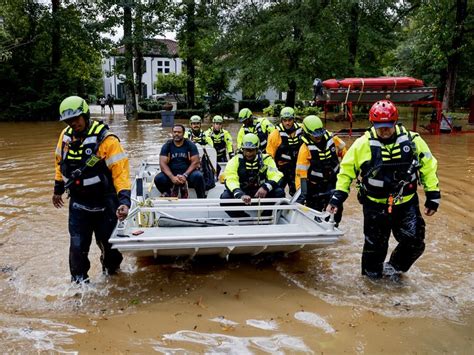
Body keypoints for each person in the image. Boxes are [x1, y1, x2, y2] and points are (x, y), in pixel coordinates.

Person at [326, 100, 441, 280]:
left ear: (395, 122)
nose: (384, 130)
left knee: (415, 241)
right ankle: (371, 285)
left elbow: (428, 166)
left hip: (406, 203)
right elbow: (346, 172)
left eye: (388, 126)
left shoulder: (413, 141)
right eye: (380, 126)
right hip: (375, 205)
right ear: (373, 123)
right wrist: (337, 198)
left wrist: (433, 195)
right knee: (375, 248)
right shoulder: (361, 145)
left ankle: (394, 268)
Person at [52, 96, 130, 283]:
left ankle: (113, 278)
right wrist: (58, 188)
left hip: (105, 202)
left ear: (85, 115)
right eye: (69, 121)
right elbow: (59, 162)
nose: (73, 123)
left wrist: (124, 202)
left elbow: (121, 172)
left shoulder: (107, 140)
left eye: (77, 118)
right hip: (79, 203)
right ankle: (79, 286)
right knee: (77, 248)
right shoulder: (65, 136)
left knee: (110, 250)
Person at [295, 115, 346, 225]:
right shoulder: (304, 149)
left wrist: (348, 168)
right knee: (314, 215)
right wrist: (302, 193)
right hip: (315, 186)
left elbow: (344, 151)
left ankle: (334, 226)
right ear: (307, 133)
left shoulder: (333, 139)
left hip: (333, 182)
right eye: (315, 136)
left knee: (336, 211)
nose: (318, 137)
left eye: (320, 134)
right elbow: (301, 173)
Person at [220, 133, 285, 218]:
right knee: (225, 198)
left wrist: (266, 187)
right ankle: (244, 218)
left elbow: (276, 175)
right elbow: (230, 178)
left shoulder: (266, 160)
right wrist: (239, 194)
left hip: (261, 193)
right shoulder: (234, 161)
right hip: (243, 192)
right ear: (242, 149)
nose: (248, 153)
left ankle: (265, 217)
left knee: (279, 193)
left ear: (257, 149)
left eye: (251, 150)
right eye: (246, 150)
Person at [154, 124, 206, 198]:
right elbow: (162, 164)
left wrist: (185, 175)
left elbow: (196, 162)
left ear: (183, 133)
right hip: (172, 175)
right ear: (172, 133)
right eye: (174, 132)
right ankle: (168, 194)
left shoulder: (190, 145)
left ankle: (201, 198)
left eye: (179, 132)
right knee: (158, 179)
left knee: (199, 176)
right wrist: (172, 177)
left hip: (188, 174)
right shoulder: (167, 145)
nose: (176, 134)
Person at [266, 107, 303, 195]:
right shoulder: (275, 134)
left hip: (297, 168)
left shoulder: (302, 129)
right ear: (281, 120)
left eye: (290, 120)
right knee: (277, 191)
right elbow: (269, 155)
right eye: (285, 120)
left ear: (294, 119)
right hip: (281, 169)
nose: (287, 123)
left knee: (297, 192)